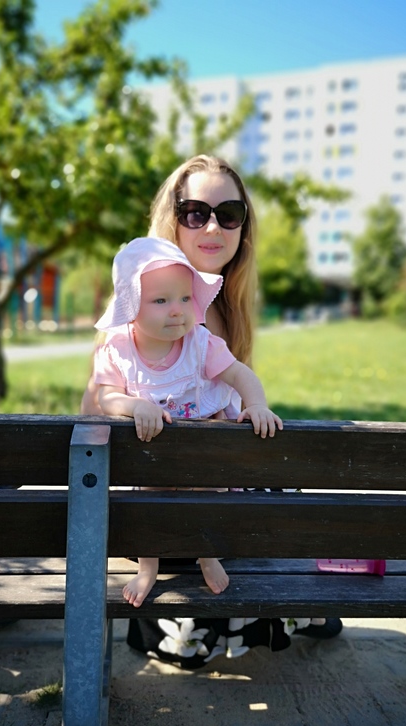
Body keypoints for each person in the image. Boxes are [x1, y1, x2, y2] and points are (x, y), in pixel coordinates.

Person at [81, 154, 342, 668]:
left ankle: (276, 609)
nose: (213, 227)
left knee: (269, 484)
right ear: (172, 218)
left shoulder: (218, 307)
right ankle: (288, 610)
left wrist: (246, 413)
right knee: (278, 492)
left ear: (244, 225)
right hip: (157, 493)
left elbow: (235, 389)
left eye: (229, 214)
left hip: (194, 489)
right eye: (196, 212)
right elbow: (95, 407)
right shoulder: (140, 317)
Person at [93, 236, 283, 608]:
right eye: (161, 301)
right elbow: (106, 398)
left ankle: (206, 555)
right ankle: (148, 567)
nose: (177, 311)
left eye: (184, 298)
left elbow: (240, 375)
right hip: (152, 459)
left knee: (210, 490)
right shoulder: (118, 350)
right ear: (131, 305)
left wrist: (256, 405)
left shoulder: (200, 343)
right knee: (148, 502)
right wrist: (134, 405)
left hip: (202, 456)